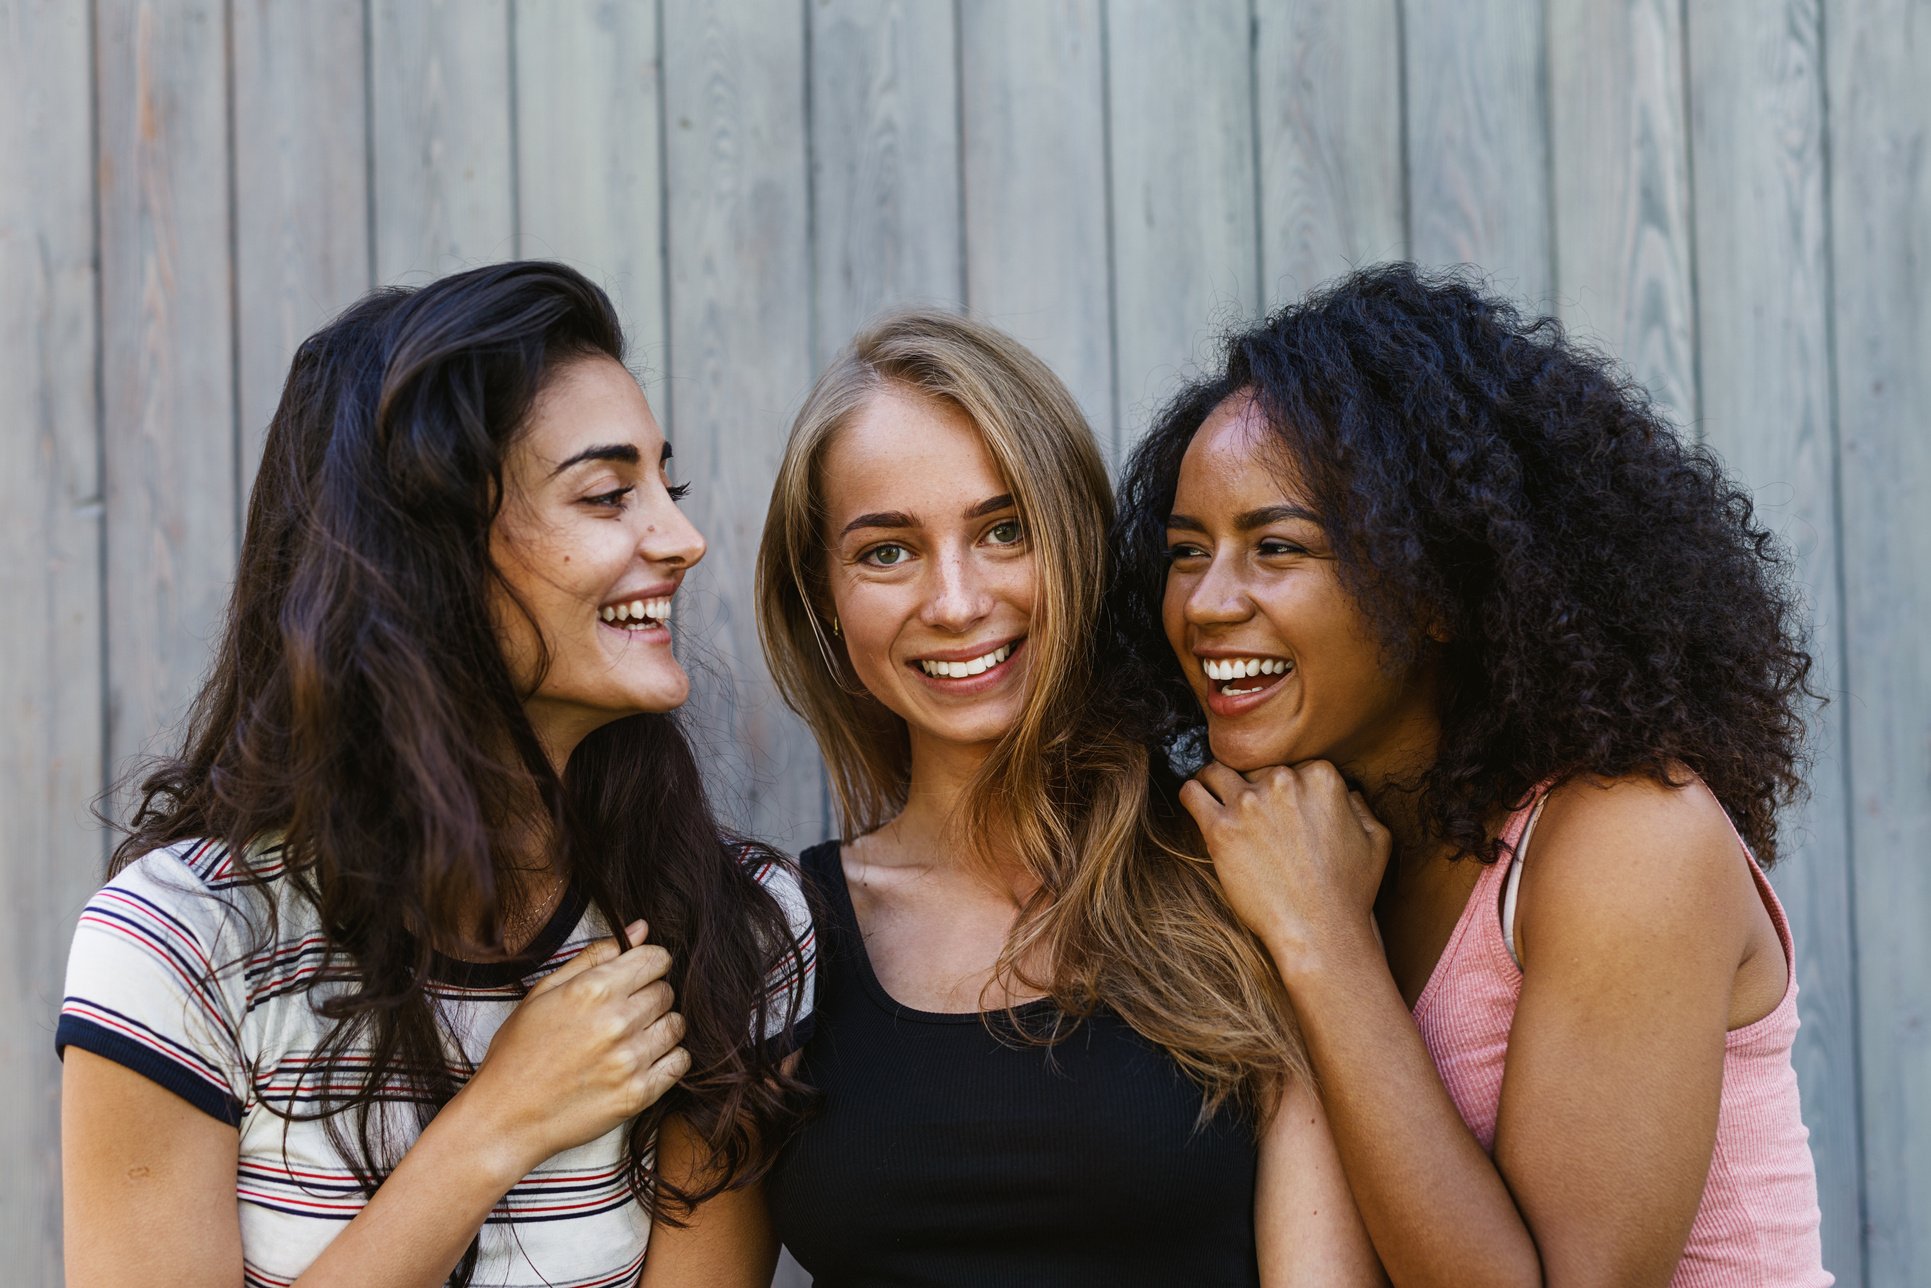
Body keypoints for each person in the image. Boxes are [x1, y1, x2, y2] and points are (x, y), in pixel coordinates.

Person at [57, 262, 815, 1288]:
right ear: (429, 553)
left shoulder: (734, 927)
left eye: (663, 488)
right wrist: (496, 1124)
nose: (682, 539)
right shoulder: (183, 946)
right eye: (606, 494)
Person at [1108, 263, 1831, 1286]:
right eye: (1186, 551)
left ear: (1434, 587)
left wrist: (1323, 940)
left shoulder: (1626, 836)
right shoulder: (1302, 832)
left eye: (1275, 547)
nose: (1207, 604)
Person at [752, 309, 1382, 1286]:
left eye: (1004, 531)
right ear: (822, 597)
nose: (956, 601)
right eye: (887, 550)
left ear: (1077, 545)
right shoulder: (772, 941)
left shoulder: (1246, 870)